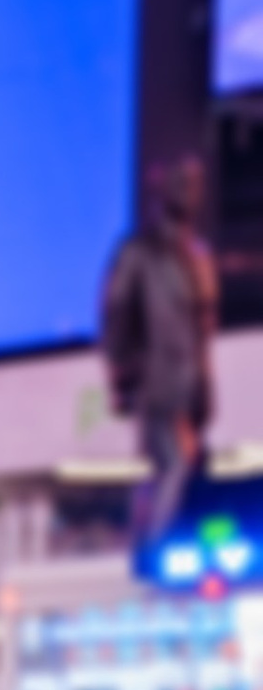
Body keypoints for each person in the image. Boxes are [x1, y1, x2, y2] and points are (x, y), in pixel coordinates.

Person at [101, 157, 219, 551]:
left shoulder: (198, 255)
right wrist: (123, 375)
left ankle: (170, 543)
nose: (190, 190)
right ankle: (156, 547)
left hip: (192, 392)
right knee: (173, 467)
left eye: (195, 183)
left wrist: (204, 387)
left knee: (190, 471)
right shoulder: (139, 251)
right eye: (181, 181)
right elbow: (115, 312)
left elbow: (203, 330)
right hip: (158, 384)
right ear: (161, 189)